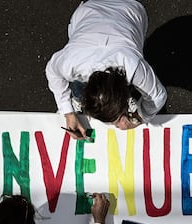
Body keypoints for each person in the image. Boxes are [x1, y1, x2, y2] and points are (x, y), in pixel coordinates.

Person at [45, 0, 167, 140]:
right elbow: (53, 72)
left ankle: (78, 98)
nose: (114, 125)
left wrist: (137, 119)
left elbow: (158, 97)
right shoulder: (71, 61)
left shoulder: (134, 67)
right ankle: (77, 98)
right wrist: (68, 112)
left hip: (129, 11)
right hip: (94, 12)